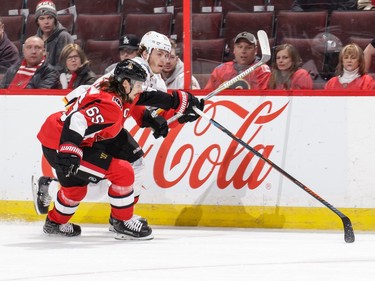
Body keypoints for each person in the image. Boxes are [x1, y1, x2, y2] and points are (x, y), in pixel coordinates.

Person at [34, 59, 204, 239]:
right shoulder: (111, 105)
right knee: (122, 172)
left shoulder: (121, 89)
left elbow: (149, 95)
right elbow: (78, 120)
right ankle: (122, 222)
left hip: (63, 137)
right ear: (125, 83)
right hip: (61, 144)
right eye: (138, 84)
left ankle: (54, 223)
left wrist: (182, 102)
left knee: (76, 190)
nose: (141, 88)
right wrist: (70, 149)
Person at [204, 32, 271, 90]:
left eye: (248, 47)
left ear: (255, 50)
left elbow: (265, 97)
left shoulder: (262, 70)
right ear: (234, 49)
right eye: (240, 47)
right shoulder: (220, 70)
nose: (243, 51)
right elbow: (207, 93)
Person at [34, 0, 74, 67]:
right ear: (37, 22)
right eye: (42, 18)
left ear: (55, 19)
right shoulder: (35, 40)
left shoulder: (64, 37)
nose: (46, 22)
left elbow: (64, 66)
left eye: (49, 18)